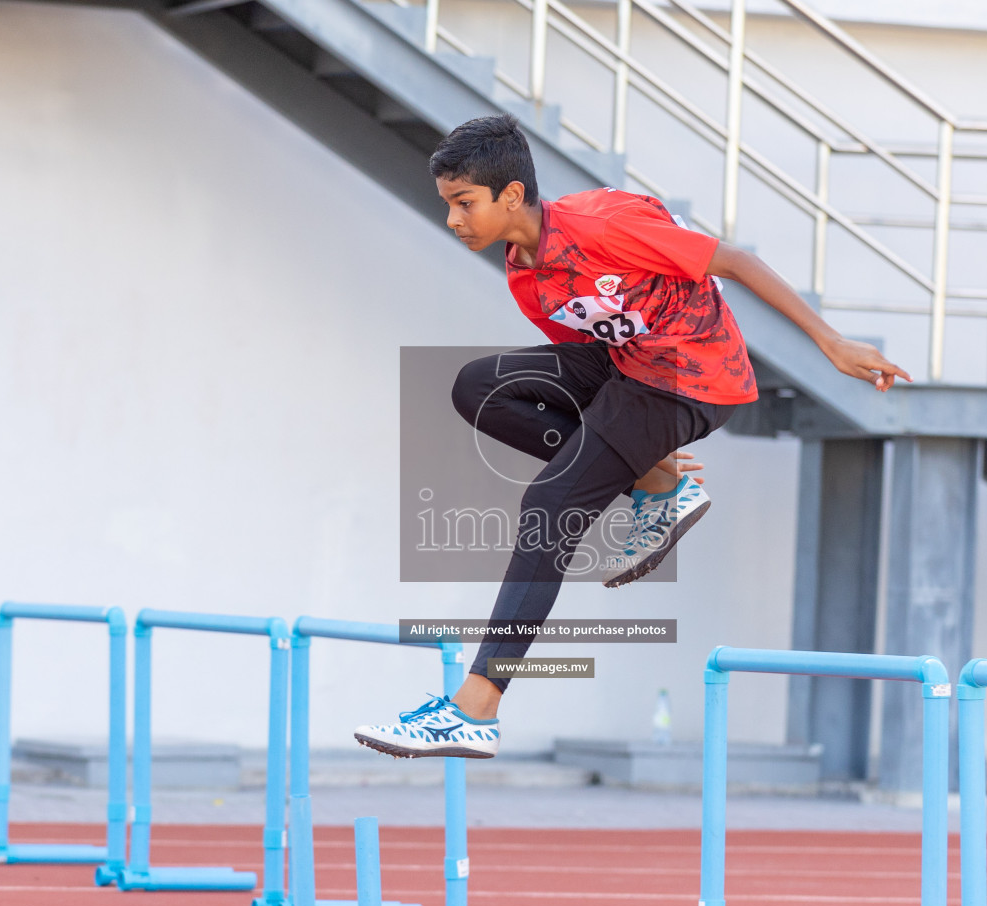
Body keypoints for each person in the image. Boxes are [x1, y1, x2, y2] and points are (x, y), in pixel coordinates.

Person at [354, 114, 908, 759]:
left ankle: (476, 707)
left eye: (463, 203)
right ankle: (660, 480)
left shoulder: (603, 227)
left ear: (510, 195)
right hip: (624, 365)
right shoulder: (526, 277)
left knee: (550, 505)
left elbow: (738, 262)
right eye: (448, 205)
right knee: (478, 387)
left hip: (691, 376)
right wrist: (617, 457)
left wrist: (831, 342)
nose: (453, 220)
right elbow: (582, 375)